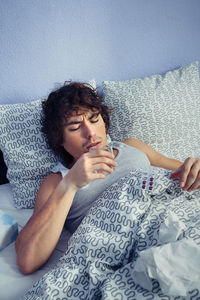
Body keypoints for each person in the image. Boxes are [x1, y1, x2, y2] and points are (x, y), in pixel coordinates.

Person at [15, 81, 200, 275]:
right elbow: (27, 260)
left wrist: (195, 170)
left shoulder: (133, 146)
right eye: (75, 126)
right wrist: (70, 185)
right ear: (59, 139)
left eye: (94, 119)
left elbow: (186, 176)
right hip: (137, 247)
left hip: (180, 218)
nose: (90, 133)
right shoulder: (56, 181)